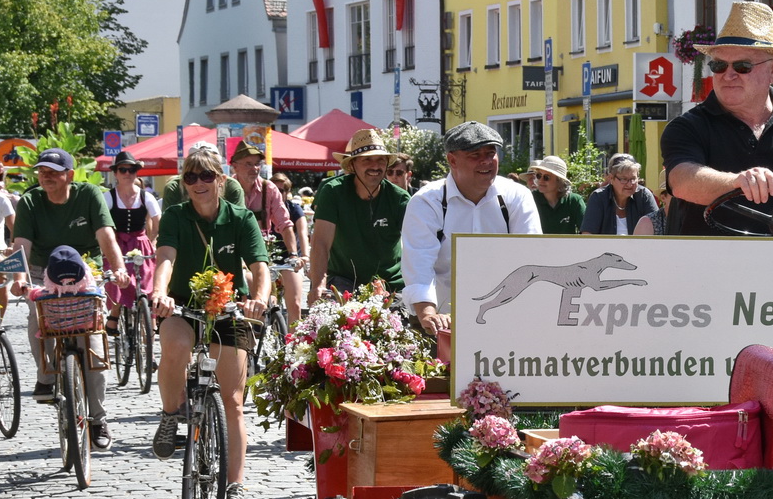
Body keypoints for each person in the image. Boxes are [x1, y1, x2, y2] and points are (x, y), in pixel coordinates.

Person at [149, 146, 269, 499]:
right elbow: (165, 258)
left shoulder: (241, 218)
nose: (198, 183)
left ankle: (234, 489)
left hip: (229, 309)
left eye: (205, 176)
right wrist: (160, 292)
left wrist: (259, 300)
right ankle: (171, 414)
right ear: (184, 184)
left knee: (233, 402)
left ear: (220, 179)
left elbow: (259, 266)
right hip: (183, 305)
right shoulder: (174, 216)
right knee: (176, 345)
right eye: (190, 177)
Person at [662, 2, 773, 235]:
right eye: (718, 65)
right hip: (715, 265)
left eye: (742, 66)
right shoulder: (688, 125)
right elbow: (682, 181)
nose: (728, 75)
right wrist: (738, 182)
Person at [8, 147, 128, 447]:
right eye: (42, 171)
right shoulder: (31, 201)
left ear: (69, 175)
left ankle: (99, 420)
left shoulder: (88, 195)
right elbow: (21, 244)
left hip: (86, 271)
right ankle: (46, 375)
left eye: (53, 171)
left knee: (94, 341)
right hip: (40, 271)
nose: (46, 176)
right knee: (37, 318)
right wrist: (20, 279)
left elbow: (106, 236)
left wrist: (121, 269)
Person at [401, 122, 541, 340]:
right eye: (475, 155)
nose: (486, 161)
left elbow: (530, 256)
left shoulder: (516, 196)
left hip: (505, 316)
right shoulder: (427, 202)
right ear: (452, 160)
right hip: (443, 321)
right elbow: (419, 264)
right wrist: (428, 313)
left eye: (491, 153)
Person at [309, 128, 409, 299]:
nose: (375, 166)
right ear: (352, 165)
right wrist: (318, 285)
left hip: (390, 282)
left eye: (380, 160)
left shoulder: (399, 198)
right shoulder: (333, 191)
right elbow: (321, 243)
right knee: (332, 318)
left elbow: (419, 245)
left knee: (405, 320)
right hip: (342, 279)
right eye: (367, 160)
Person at [230, 140, 303, 328]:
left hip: (266, 249)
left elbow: (285, 224)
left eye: (257, 164)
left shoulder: (268, 188)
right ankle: (250, 333)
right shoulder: (226, 187)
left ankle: (293, 347)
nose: (254, 168)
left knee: (295, 298)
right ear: (234, 165)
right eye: (248, 164)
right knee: (249, 284)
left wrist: (294, 254)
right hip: (235, 251)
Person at [104, 152, 161, 334]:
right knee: (118, 277)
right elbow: (101, 222)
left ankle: (150, 325)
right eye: (123, 170)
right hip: (117, 243)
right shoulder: (109, 197)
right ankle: (115, 312)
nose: (127, 173)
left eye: (132, 170)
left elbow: (158, 220)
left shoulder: (146, 197)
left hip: (140, 242)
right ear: (116, 173)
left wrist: (154, 242)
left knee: (147, 280)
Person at [583, 153, 659, 235]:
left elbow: (658, 230)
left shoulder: (644, 196)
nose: (630, 184)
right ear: (611, 178)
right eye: (624, 179)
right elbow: (587, 235)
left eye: (633, 179)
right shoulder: (598, 198)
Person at [529, 154, 585, 234]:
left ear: (559, 181)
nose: (541, 180)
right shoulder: (530, 199)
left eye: (546, 177)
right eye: (539, 175)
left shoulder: (574, 201)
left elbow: (587, 232)